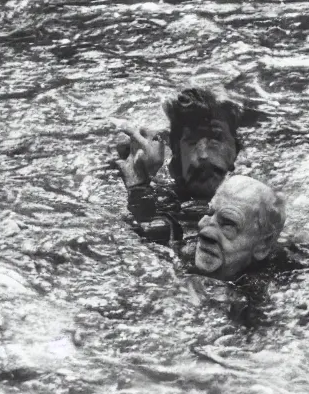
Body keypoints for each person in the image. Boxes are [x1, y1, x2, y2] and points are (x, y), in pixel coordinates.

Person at [112, 87, 286, 283]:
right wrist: (140, 184)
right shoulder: (164, 198)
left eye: (216, 139)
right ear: (175, 151)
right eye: (192, 141)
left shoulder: (259, 201)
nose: (202, 155)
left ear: (236, 151)